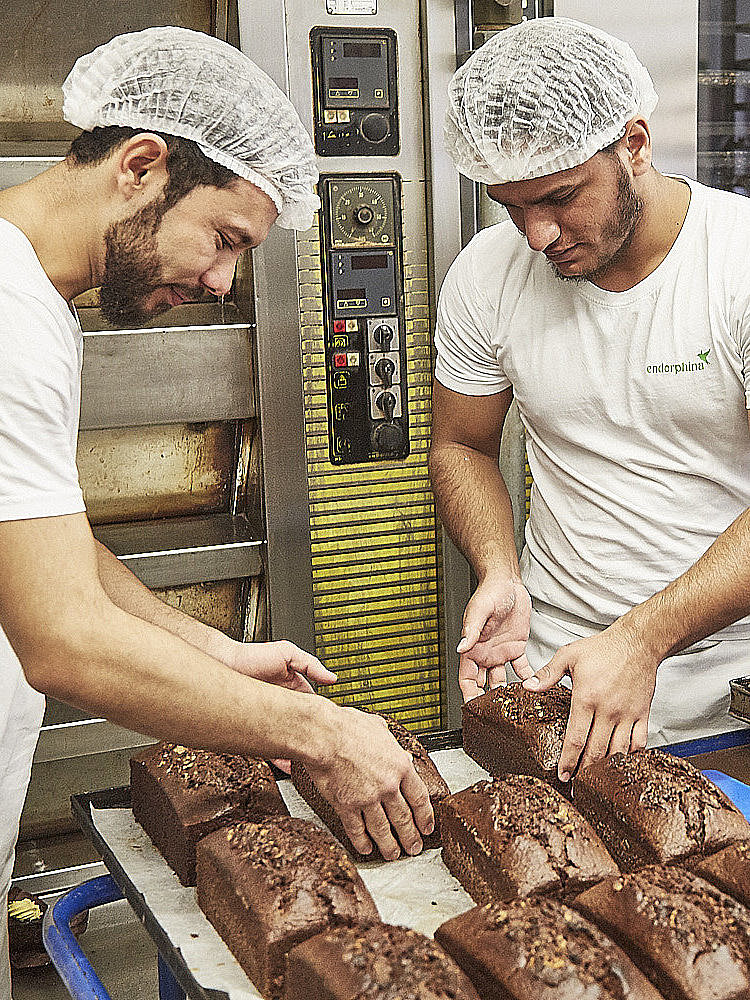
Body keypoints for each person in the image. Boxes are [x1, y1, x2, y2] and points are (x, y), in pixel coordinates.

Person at [0, 26, 434, 992]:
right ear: (141, 165)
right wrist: (320, 735)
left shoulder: (30, 298)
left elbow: (48, 549)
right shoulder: (8, 317)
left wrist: (219, 655)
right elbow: (63, 638)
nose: (223, 283)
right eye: (227, 240)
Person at [429, 18, 750, 785]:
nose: (536, 234)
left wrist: (643, 639)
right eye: (510, 205)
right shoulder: (487, 272)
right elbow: (461, 445)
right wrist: (499, 569)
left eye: (560, 197)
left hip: (726, 689)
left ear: (635, 144)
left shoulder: (736, 266)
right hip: (558, 674)